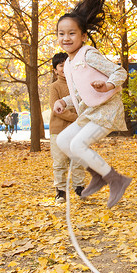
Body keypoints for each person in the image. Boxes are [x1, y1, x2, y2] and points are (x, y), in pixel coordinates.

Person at [53, 0, 131, 209]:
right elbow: (80, 92)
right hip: (89, 113)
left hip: (106, 110)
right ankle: (97, 175)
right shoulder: (68, 62)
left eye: (71, 33)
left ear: (83, 35)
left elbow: (120, 72)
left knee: (77, 143)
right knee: (63, 140)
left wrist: (107, 84)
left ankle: (116, 179)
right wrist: (63, 101)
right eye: (61, 34)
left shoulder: (88, 54)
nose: (66, 38)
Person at [49, 52, 86, 203]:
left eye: (67, 64)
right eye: (61, 65)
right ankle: (60, 191)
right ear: (55, 70)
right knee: (59, 162)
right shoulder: (54, 87)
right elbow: (56, 109)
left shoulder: (78, 85)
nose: (64, 68)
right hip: (58, 130)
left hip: (77, 131)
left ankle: (80, 188)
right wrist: (77, 118)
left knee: (77, 160)